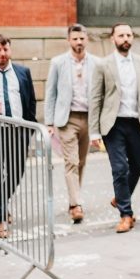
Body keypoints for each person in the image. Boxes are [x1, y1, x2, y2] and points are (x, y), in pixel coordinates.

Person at [88, 24, 140, 234]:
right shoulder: (103, 65)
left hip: (137, 122)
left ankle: (121, 196)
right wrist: (94, 131)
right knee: (120, 168)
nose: (125, 38)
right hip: (113, 124)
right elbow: (95, 98)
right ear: (113, 39)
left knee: (138, 165)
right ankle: (126, 215)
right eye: (121, 35)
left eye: (128, 35)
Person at [44, 24, 99, 223]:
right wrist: (49, 122)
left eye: (82, 38)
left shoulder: (97, 63)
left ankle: (73, 199)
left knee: (82, 162)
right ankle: (76, 205)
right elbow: (51, 93)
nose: (78, 42)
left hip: (89, 119)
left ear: (87, 39)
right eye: (75, 39)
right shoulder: (58, 63)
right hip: (67, 120)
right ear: (69, 40)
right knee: (71, 162)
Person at [0, 35, 37, 240]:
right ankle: (0, 221)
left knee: (16, 172)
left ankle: (1, 202)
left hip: (18, 132)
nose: (3, 54)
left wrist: (29, 130)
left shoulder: (23, 72)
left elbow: (31, 101)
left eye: (6, 49)